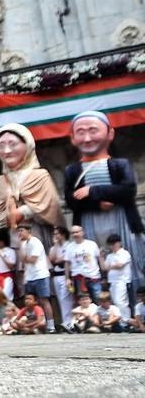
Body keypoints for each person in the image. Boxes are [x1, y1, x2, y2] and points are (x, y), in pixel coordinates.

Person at [64, 111, 145, 296]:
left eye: (93, 130)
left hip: (122, 218)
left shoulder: (120, 164)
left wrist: (93, 191)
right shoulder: (72, 170)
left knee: (129, 263)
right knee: (94, 267)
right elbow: (71, 199)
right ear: (73, 138)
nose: (87, 138)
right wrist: (97, 205)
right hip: (88, 222)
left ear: (110, 133)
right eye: (80, 132)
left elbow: (128, 190)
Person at [0, 124, 65, 257]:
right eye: (1, 146)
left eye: (13, 144)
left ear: (27, 144)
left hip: (39, 234)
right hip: (13, 238)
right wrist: (10, 217)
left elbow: (52, 208)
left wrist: (23, 211)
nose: (7, 151)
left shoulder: (40, 175)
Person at [16, 223, 55, 332]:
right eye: (18, 231)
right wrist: (20, 246)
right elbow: (22, 259)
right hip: (29, 276)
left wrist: (25, 258)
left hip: (40, 275)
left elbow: (33, 259)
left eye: (21, 230)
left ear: (29, 231)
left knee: (44, 300)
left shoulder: (36, 242)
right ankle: (32, 325)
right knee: (30, 301)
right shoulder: (23, 244)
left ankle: (51, 325)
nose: (19, 233)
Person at [66, 225, 102, 298]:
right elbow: (67, 263)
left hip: (93, 277)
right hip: (78, 279)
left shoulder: (92, 244)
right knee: (83, 302)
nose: (75, 234)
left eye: (77, 232)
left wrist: (103, 276)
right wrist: (67, 278)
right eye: (73, 233)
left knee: (98, 300)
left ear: (82, 232)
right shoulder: (69, 247)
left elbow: (99, 259)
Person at [49, 226, 74, 328]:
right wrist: (55, 245)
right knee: (60, 299)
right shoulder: (54, 247)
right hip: (56, 275)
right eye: (54, 234)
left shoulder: (70, 245)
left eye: (57, 234)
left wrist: (58, 259)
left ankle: (69, 321)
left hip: (66, 274)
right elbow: (52, 259)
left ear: (63, 234)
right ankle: (65, 320)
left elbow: (63, 259)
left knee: (66, 298)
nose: (55, 236)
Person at [103, 234, 133, 316]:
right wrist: (101, 257)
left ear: (119, 243)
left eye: (114, 243)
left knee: (121, 301)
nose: (112, 246)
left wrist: (110, 267)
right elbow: (104, 268)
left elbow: (120, 265)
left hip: (122, 281)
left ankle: (126, 321)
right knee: (115, 302)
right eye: (110, 244)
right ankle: (121, 321)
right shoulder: (109, 256)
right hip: (112, 282)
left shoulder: (124, 253)